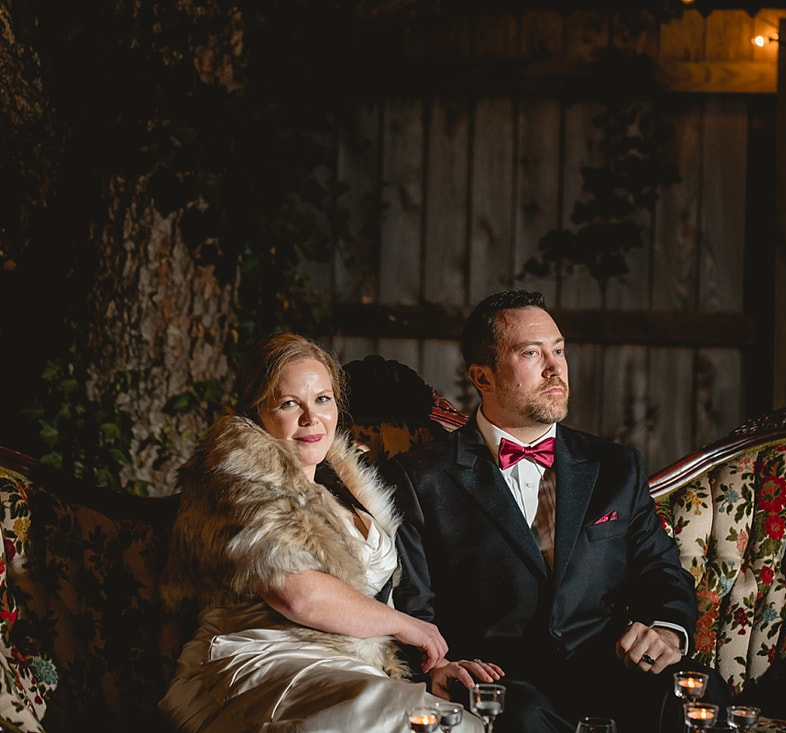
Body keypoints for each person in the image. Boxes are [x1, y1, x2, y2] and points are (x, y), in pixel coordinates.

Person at [384, 290, 736, 733]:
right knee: (521, 717)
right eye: (532, 353)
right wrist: (435, 666)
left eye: (559, 350)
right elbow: (412, 602)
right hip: (500, 681)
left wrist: (665, 630)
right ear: (483, 377)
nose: (556, 369)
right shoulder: (420, 479)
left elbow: (660, 569)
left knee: (698, 689)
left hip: (608, 672)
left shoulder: (614, 466)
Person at [158, 332, 486, 732]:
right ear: (257, 411)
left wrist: (429, 668)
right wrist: (406, 625)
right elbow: (297, 593)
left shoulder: (344, 487)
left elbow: (367, 605)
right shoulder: (239, 478)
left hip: (352, 667)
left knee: (451, 723)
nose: (311, 419)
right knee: (391, 719)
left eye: (322, 399)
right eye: (289, 403)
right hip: (269, 659)